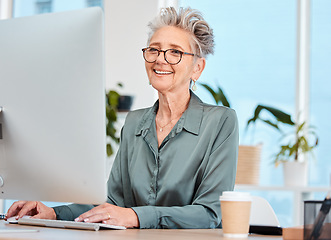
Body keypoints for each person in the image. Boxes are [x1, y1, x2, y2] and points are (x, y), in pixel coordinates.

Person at [6, 7, 238, 229]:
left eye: (175, 51)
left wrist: (136, 216)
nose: (160, 59)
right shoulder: (135, 123)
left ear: (197, 68)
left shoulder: (220, 122)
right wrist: (54, 213)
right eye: (154, 49)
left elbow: (210, 213)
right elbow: (113, 202)